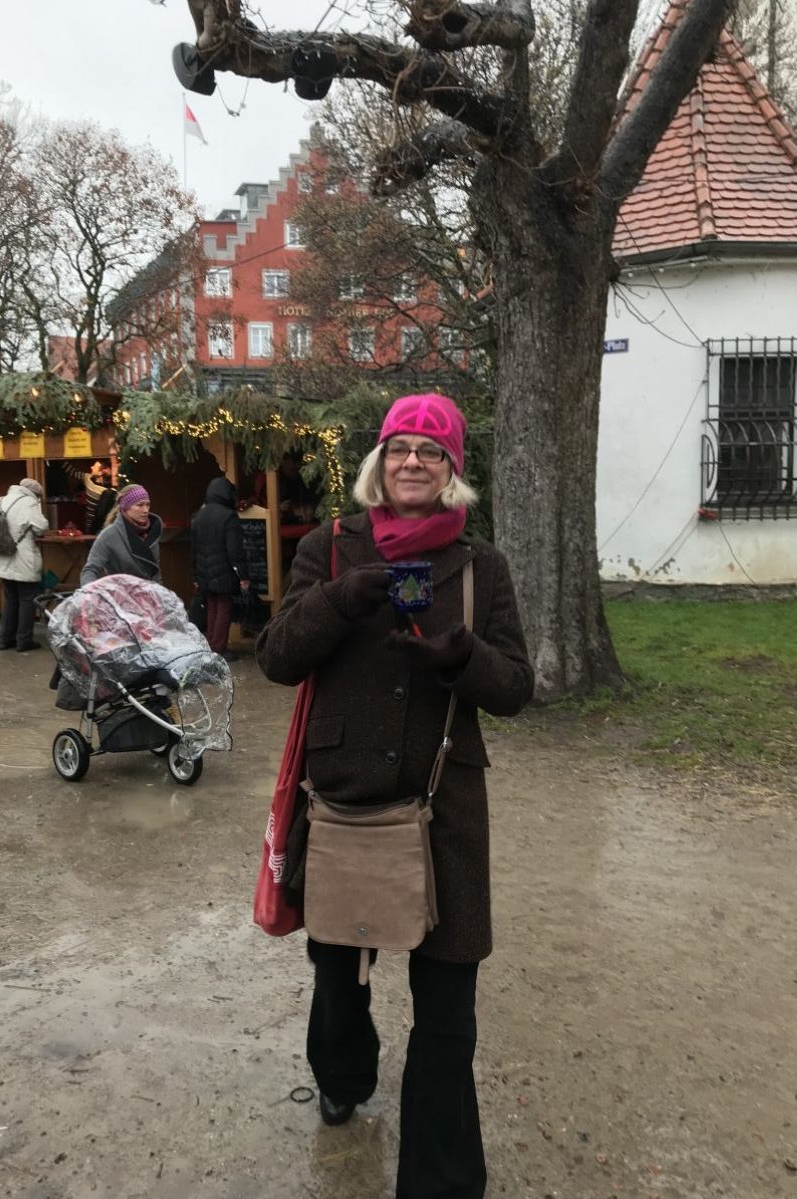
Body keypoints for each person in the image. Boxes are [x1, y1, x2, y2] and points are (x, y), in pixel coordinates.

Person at [255, 393, 534, 1199]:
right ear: (379, 462)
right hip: (344, 797)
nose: (414, 460)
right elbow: (276, 657)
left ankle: (440, 1181)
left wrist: (462, 658)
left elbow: (516, 687)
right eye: (400, 447)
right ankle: (342, 1074)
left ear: (452, 470)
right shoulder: (327, 547)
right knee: (338, 974)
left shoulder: (482, 566)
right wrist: (340, 598)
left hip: (446, 805)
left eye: (431, 450)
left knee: (447, 1007)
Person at [0, 477, 49, 652]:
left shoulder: (0, 500)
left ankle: (6, 639)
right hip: (22, 558)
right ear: (35, 494)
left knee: (11, 598)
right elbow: (41, 527)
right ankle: (24, 640)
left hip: (1, 557)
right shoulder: (29, 503)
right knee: (27, 599)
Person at [190, 477, 250, 659]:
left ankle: (211, 645)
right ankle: (219, 648)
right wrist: (243, 575)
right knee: (224, 607)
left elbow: (193, 549)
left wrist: (195, 576)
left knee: (212, 607)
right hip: (224, 571)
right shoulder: (229, 516)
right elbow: (235, 550)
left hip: (204, 572)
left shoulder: (199, 516)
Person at [80, 484, 162, 586]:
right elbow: (91, 570)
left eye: (147, 505)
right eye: (140, 505)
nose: (145, 510)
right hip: (119, 593)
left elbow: (155, 574)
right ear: (125, 508)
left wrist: (158, 593)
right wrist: (91, 593)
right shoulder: (109, 535)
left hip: (146, 594)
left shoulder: (151, 534)